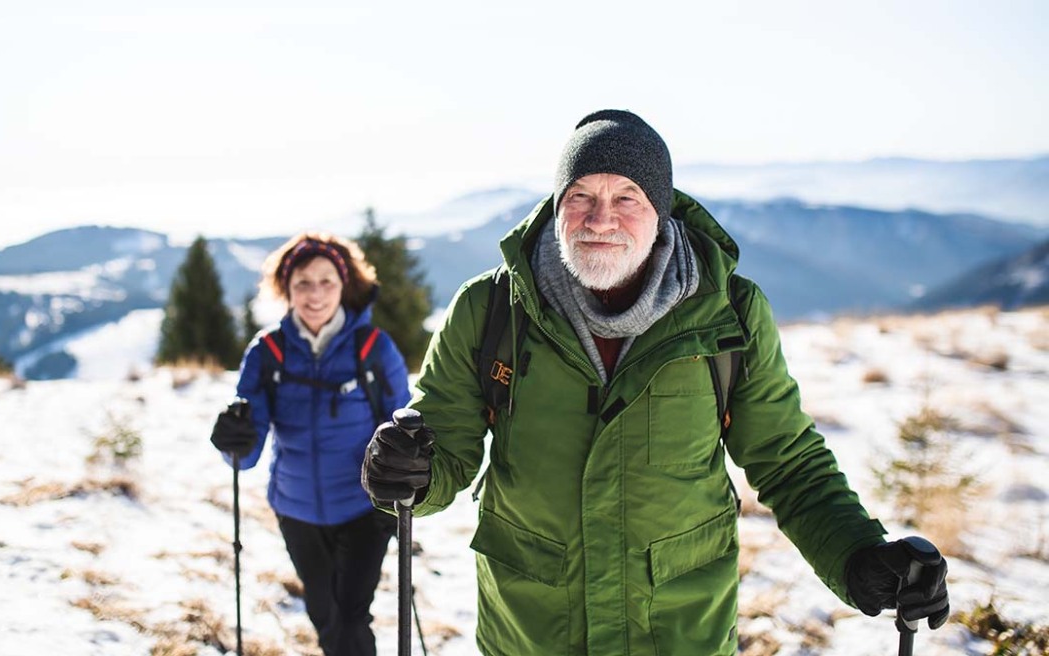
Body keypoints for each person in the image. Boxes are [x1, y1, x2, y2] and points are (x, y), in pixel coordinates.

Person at [361, 110, 950, 655]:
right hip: (532, 627)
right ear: (557, 201)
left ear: (662, 209)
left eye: (628, 196)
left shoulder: (730, 314)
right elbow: (444, 448)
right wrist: (408, 473)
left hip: (678, 629)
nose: (600, 219)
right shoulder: (491, 308)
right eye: (582, 195)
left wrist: (858, 555)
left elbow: (787, 461)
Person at [211, 232, 412, 656]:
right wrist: (234, 438)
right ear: (286, 288)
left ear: (344, 286)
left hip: (364, 509)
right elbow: (245, 455)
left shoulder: (374, 349)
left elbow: (401, 427)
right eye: (303, 282)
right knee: (324, 615)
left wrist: (404, 474)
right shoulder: (267, 352)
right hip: (296, 509)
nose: (315, 294)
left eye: (327, 282)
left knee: (352, 616)